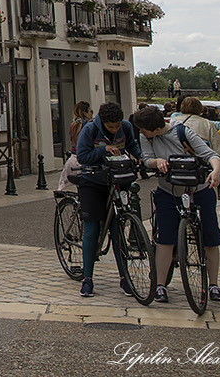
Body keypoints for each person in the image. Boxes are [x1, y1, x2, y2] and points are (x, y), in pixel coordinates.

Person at [131, 105, 220, 304]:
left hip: (197, 189)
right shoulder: (146, 137)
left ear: (155, 128)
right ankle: (160, 286)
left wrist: (215, 172)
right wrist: (156, 162)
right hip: (169, 190)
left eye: (143, 129)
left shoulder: (182, 131)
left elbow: (211, 155)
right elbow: (146, 159)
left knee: (210, 236)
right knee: (165, 238)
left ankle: (213, 284)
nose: (140, 132)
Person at [74, 101, 141, 297]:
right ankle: (88, 279)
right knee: (92, 229)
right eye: (111, 127)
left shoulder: (126, 127)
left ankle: (124, 278)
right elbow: (82, 157)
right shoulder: (90, 129)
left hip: (117, 181)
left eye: (117, 125)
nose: (115, 129)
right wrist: (104, 149)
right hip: (93, 181)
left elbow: (132, 146)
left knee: (117, 230)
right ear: (102, 122)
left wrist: (140, 158)